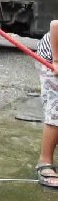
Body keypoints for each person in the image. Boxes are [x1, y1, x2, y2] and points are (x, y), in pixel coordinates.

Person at [35, 19, 58, 190]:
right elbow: (55, 24)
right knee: (56, 112)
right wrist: (56, 60)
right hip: (51, 60)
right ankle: (45, 161)